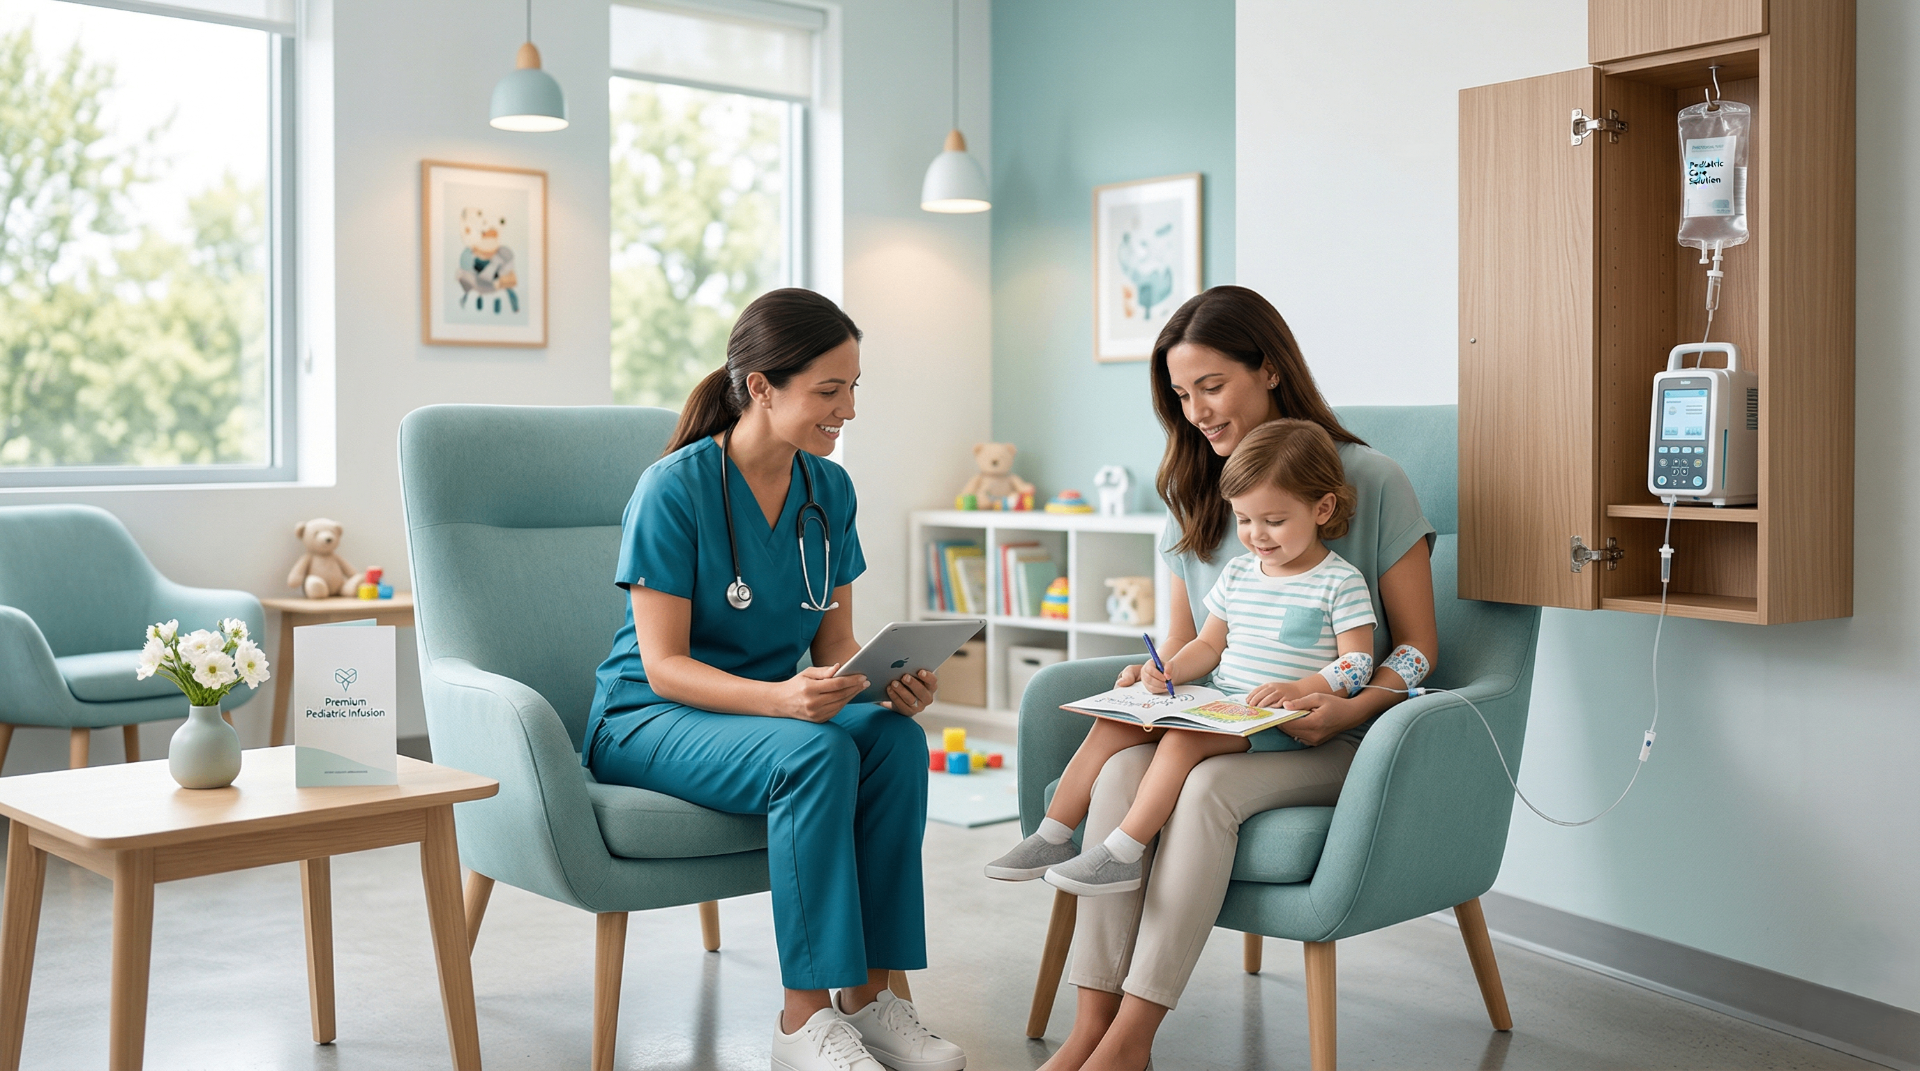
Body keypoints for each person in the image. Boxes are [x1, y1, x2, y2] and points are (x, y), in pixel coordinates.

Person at [1037, 286, 1439, 1071]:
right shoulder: (1194, 492)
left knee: (1206, 791)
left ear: (1270, 369)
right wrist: (1153, 675)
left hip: (1331, 737)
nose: (1196, 412)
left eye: (1212, 386)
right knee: (1118, 771)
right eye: (1181, 395)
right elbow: (1187, 643)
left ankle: (1130, 1042)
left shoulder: (1372, 479)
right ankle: (1090, 1025)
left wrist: (1347, 704)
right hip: (1225, 724)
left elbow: (1420, 645)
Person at [583, 288, 966, 1071]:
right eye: (829, 390)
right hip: (647, 717)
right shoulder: (674, 488)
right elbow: (663, 665)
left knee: (893, 741)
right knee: (813, 753)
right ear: (761, 386)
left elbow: (836, 643)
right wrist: (782, 700)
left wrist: (885, 683)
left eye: (853, 387)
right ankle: (802, 1020)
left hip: (762, 715)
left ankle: (870, 1000)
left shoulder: (830, 491)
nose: (848, 409)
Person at [983, 420, 1376, 896]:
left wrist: (1300, 689)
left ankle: (1123, 854)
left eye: (1274, 521)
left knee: (1182, 741)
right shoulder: (1238, 573)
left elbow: (1358, 663)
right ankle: (1052, 837)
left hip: (1278, 720)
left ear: (1322, 509)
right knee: (1112, 724)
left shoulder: (1340, 581)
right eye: (1244, 520)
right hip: (1222, 703)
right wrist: (1171, 669)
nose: (1257, 535)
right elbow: (1208, 646)